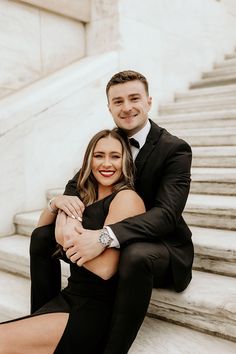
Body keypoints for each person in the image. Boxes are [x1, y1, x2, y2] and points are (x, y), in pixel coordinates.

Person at [30, 70, 194, 354]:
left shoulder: (175, 149)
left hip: (160, 244)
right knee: (42, 237)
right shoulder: (108, 143)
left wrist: (105, 236)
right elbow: (75, 188)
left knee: (136, 255)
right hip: (113, 228)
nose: (126, 107)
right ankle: (43, 319)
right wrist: (61, 208)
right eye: (118, 101)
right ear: (109, 107)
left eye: (134, 98)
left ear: (149, 101)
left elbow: (166, 215)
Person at [0, 129, 146, 354]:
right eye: (99, 155)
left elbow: (106, 268)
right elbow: (41, 233)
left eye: (115, 156)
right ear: (89, 159)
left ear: (126, 160)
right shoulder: (84, 195)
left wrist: (63, 236)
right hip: (70, 297)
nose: (107, 163)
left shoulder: (126, 198)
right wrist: (56, 203)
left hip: (92, 312)